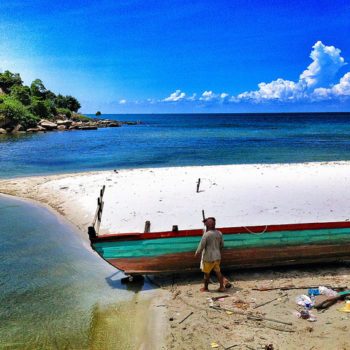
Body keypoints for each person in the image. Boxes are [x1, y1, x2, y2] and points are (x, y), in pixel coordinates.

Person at [195, 217, 225, 292]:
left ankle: (206, 288)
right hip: (217, 257)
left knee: (206, 274)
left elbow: (201, 246)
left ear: (207, 225)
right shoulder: (219, 233)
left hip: (208, 258)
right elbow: (222, 245)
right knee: (218, 272)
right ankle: (222, 287)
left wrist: (197, 253)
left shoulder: (206, 235)